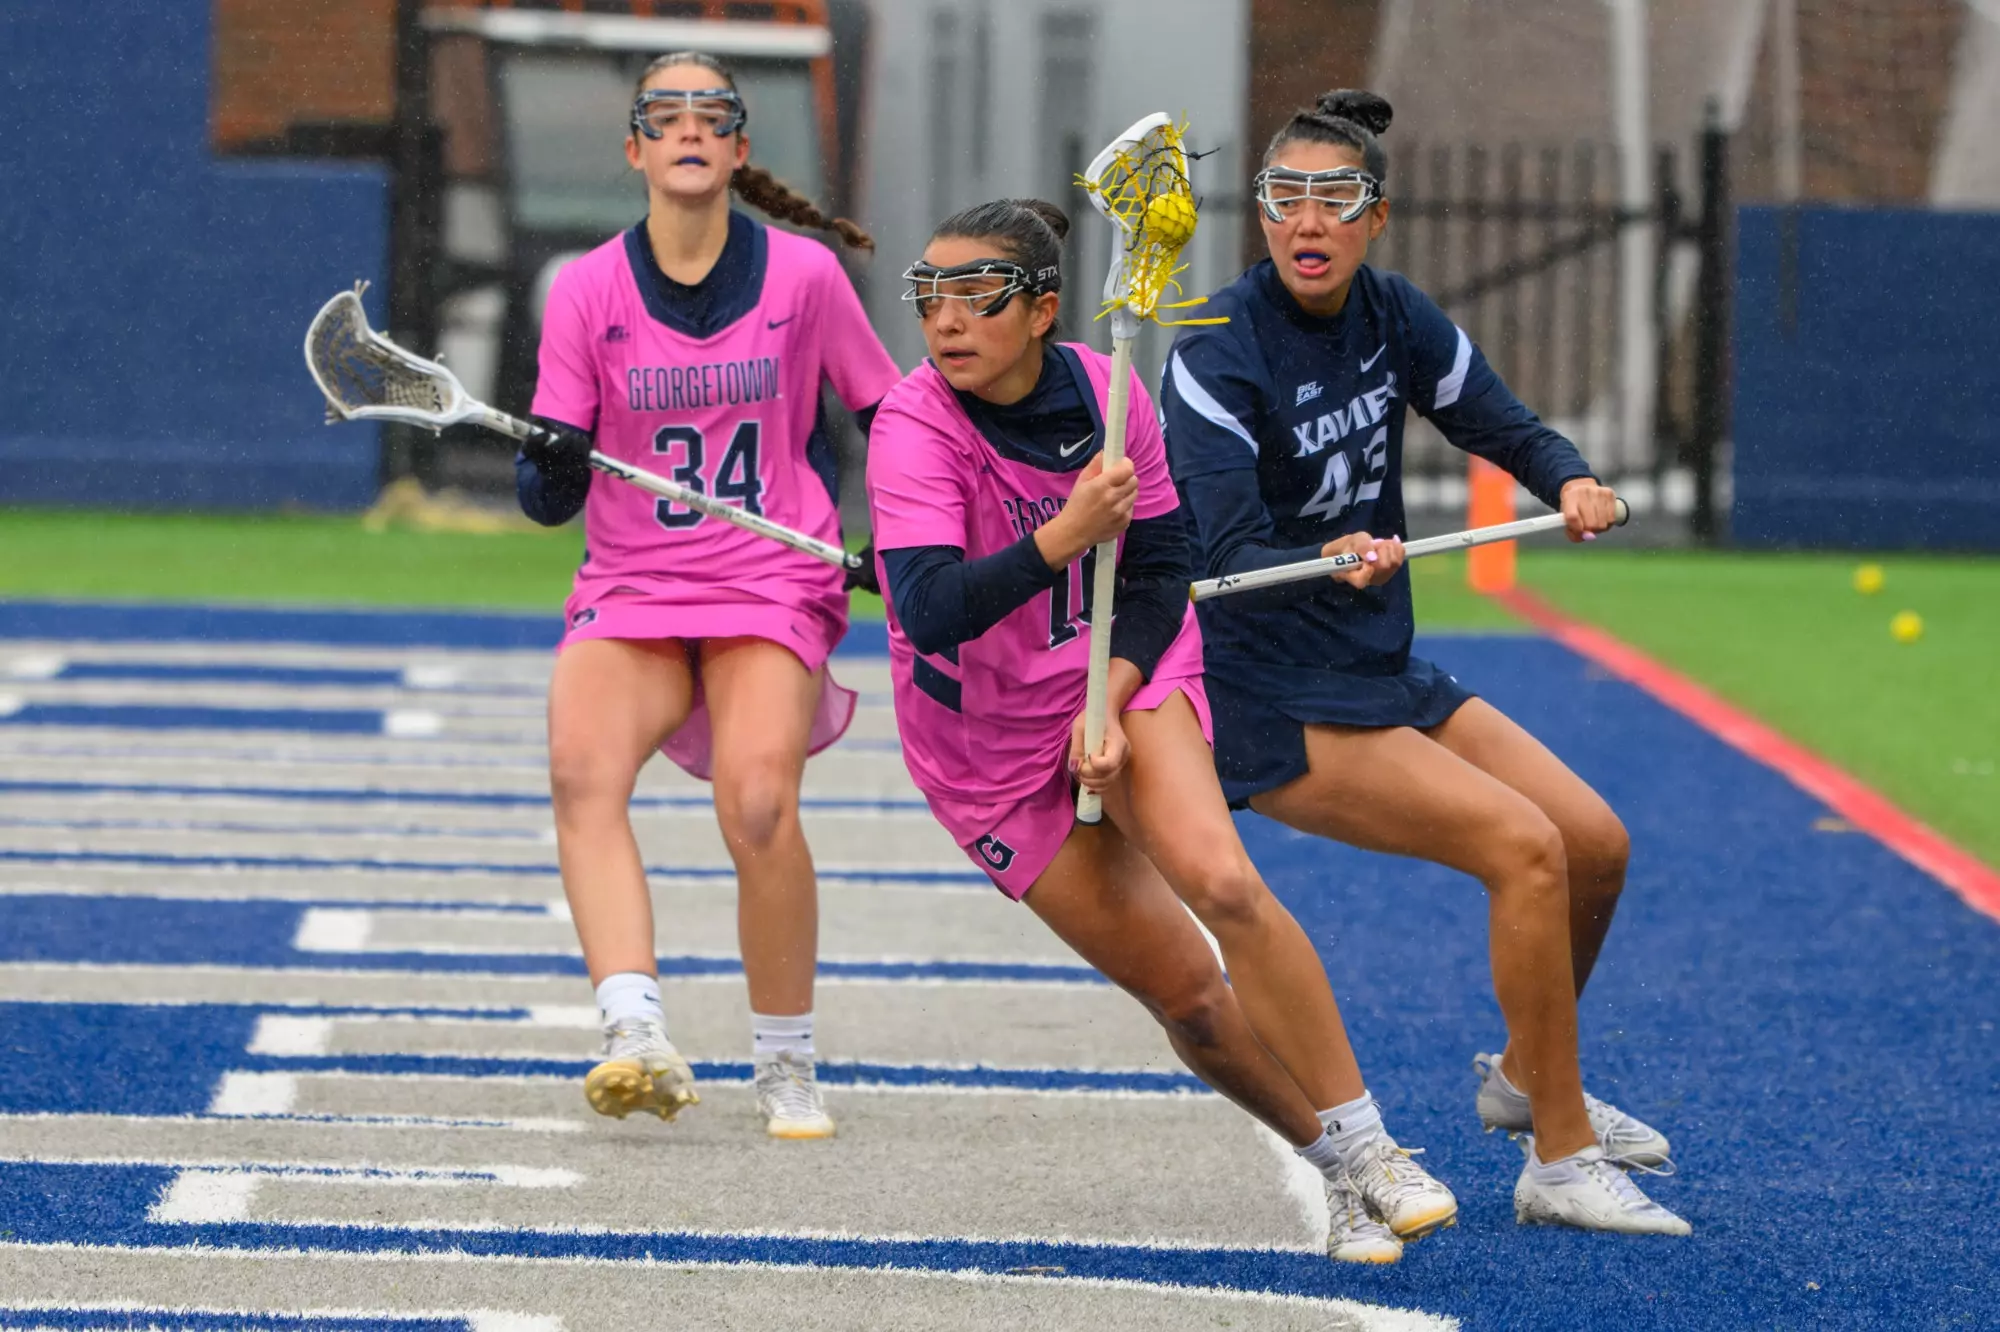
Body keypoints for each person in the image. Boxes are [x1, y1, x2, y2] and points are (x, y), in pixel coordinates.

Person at [866, 197, 1458, 1264]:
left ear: (1041, 308)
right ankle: (1330, 1164)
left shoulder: (1111, 395)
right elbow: (929, 610)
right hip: (983, 749)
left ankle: (1374, 1150)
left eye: (977, 296)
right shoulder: (912, 426)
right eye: (930, 297)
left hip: (1124, 677)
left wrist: (1112, 691)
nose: (946, 320)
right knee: (1188, 998)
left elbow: (1157, 570)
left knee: (1220, 881)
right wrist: (1063, 535)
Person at [1160, 89, 1689, 1235]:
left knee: (1592, 845)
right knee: (1524, 849)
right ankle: (1558, 1158)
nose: (1307, 220)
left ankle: (1526, 1079)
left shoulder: (1392, 314)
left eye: (1333, 197)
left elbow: (1499, 423)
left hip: (1377, 666)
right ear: (1259, 212)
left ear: (1375, 216)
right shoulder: (1214, 346)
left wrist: (1567, 478)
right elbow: (1222, 551)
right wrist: (1324, 556)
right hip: (1270, 694)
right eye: (1284, 196)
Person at [514, 51, 900, 1141]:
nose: (689, 128)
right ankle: (634, 1030)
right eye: (665, 114)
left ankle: (785, 1060)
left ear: (738, 148)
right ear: (634, 148)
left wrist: (903, 536)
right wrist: (550, 461)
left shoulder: (805, 279)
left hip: (770, 580)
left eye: (711, 114)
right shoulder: (585, 289)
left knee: (758, 801)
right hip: (633, 585)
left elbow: (888, 417)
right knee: (580, 771)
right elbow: (546, 499)